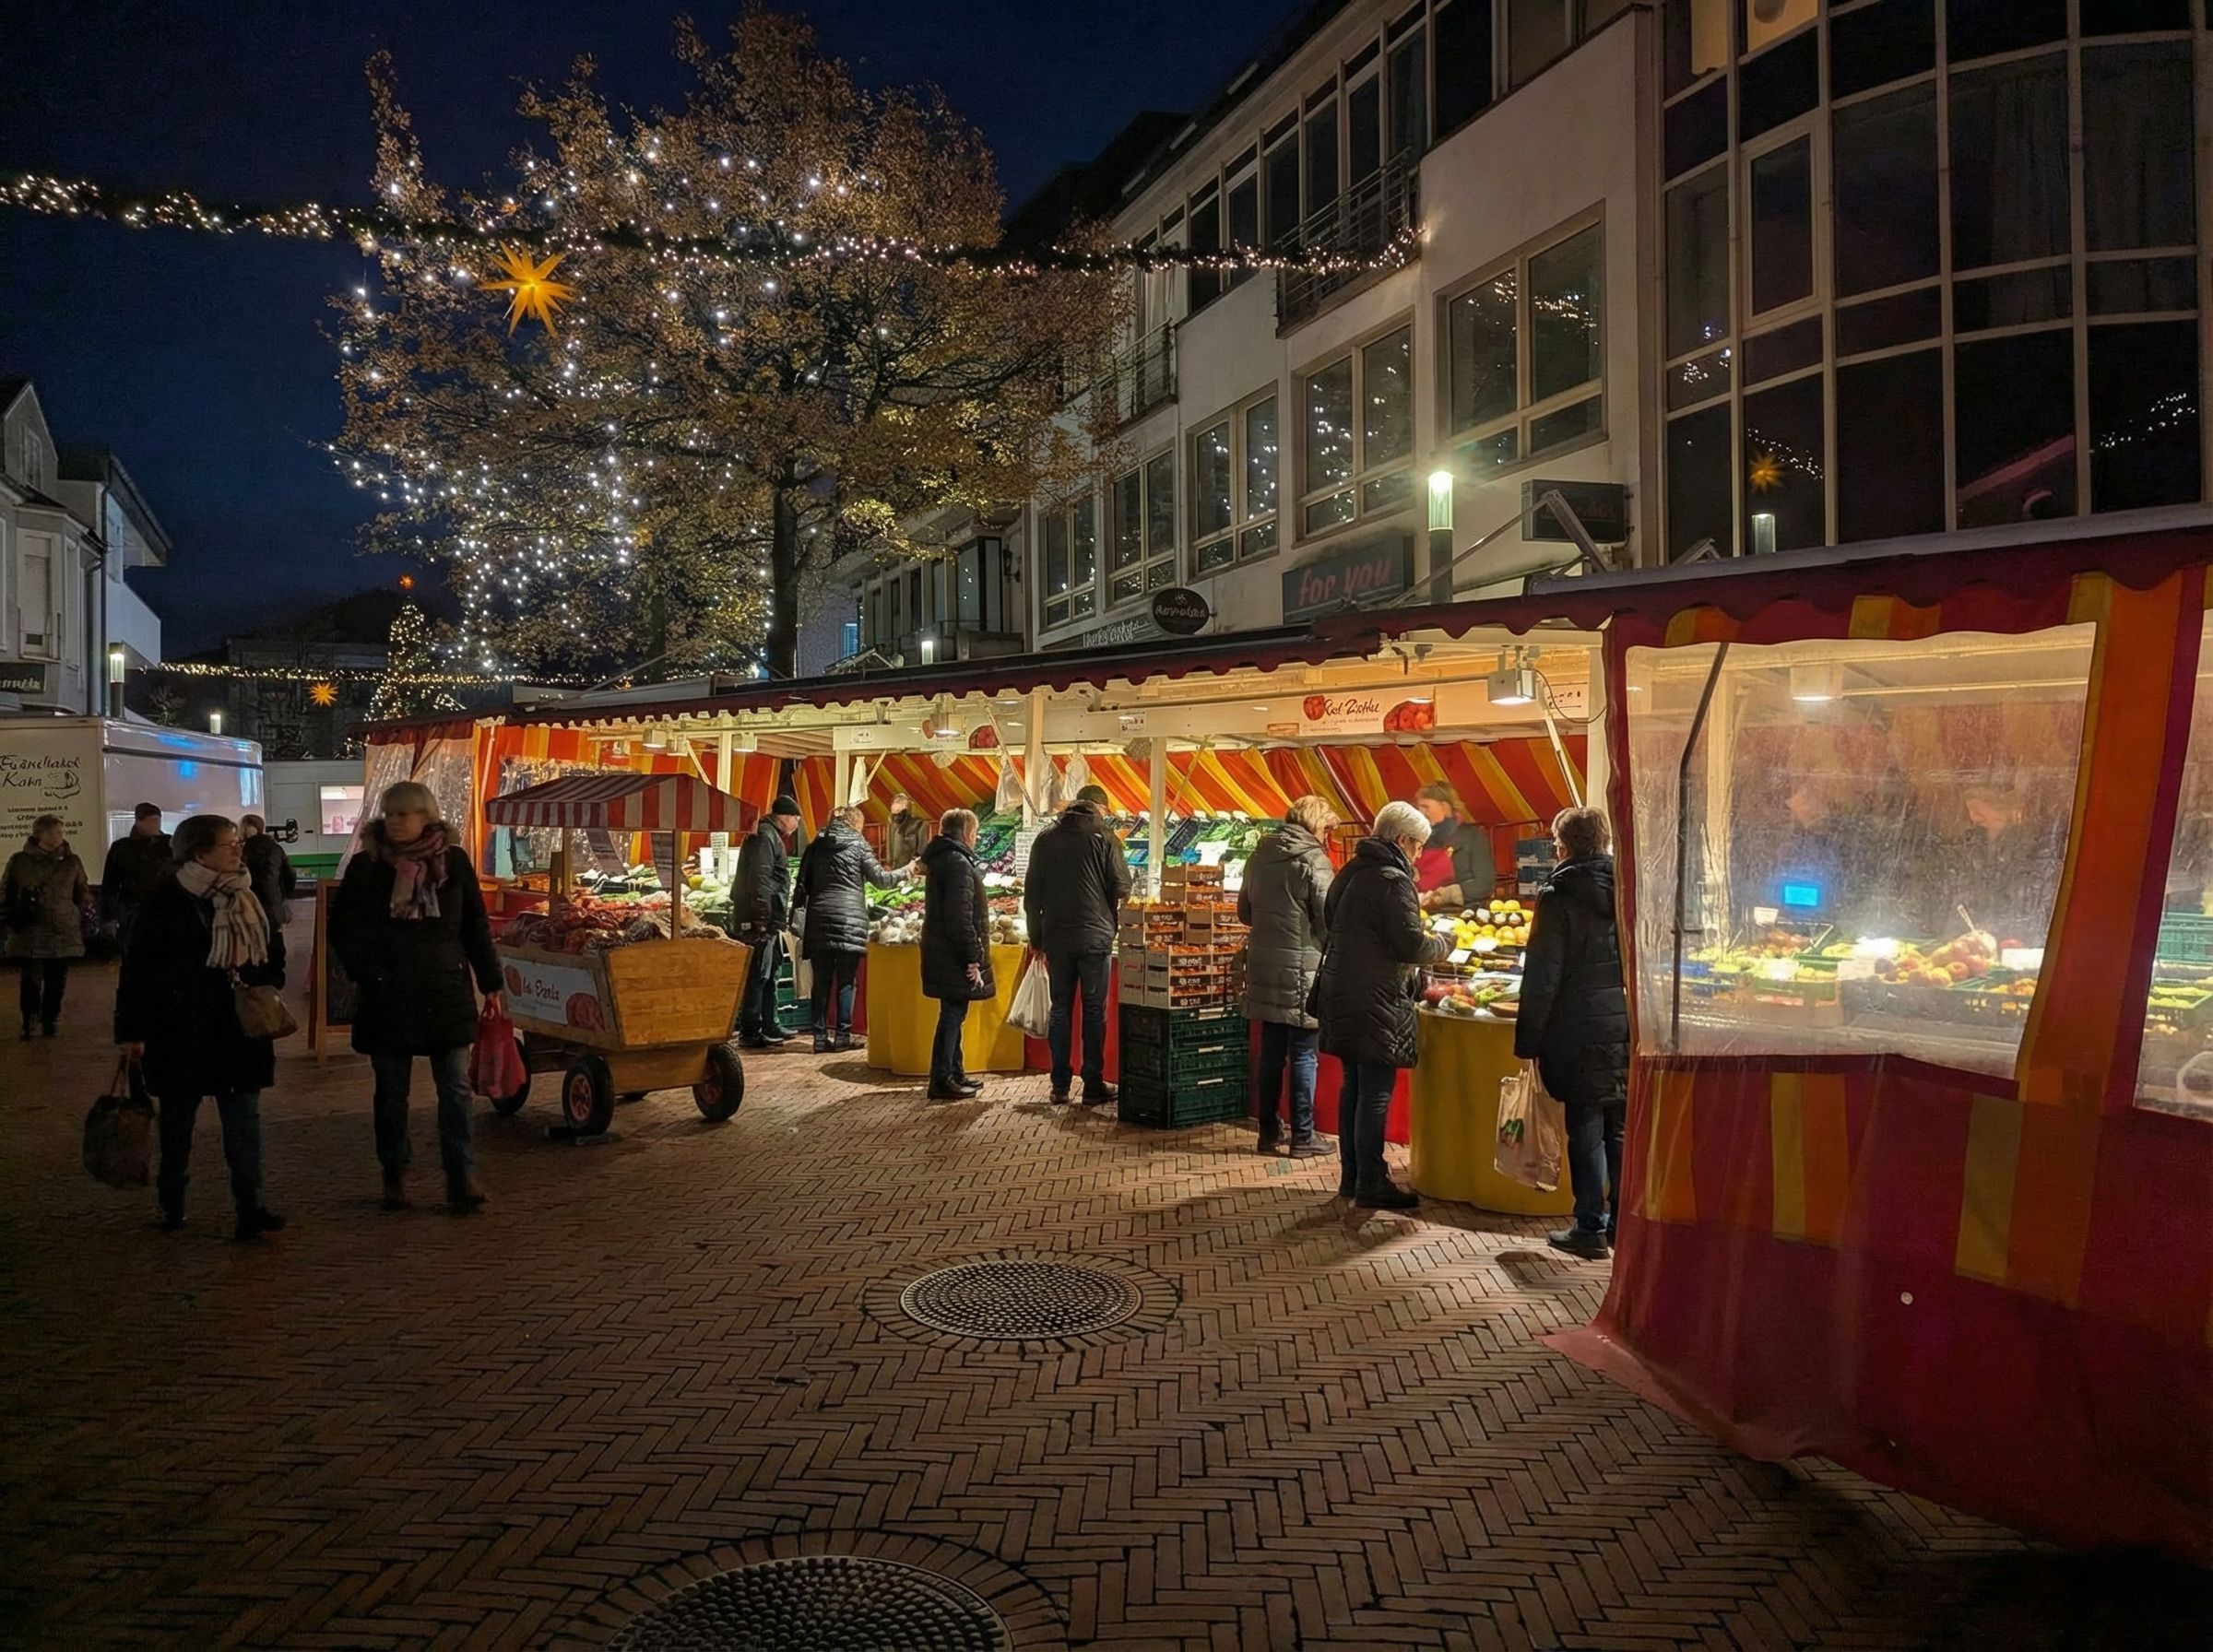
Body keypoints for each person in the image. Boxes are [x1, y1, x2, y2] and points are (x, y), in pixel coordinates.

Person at [332, 781, 503, 1216]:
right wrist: (368, 973)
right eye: (391, 813)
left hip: (444, 990)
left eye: (405, 813)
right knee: (391, 1094)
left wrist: (491, 982)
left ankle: (460, 1176)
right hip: (388, 995)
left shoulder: (454, 863)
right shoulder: (367, 867)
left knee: (456, 1091)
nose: (396, 820)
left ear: (427, 817)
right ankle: (394, 1173)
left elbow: (475, 926)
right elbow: (343, 931)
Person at [115, 814, 286, 1240]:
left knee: (244, 1125)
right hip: (180, 1031)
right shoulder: (164, 902)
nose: (237, 850)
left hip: (236, 1029)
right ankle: (172, 1203)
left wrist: (261, 979)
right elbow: (137, 972)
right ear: (199, 853)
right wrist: (132, 1032)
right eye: (228, 844)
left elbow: (273, 950)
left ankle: (252, 1208)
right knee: (177, 1127)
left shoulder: (247, 893)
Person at [1313, 800, 1450, 1209]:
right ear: (1404, 840)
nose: (1420, 855)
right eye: (1419, 846)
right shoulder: (1392, 879)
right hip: (1376, 999)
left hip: (1344, 992)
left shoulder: (1351, 872)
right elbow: (1411, 943)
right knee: (1374, 1091)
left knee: (1354, 1086)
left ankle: (1352, 1177)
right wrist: (1445, 944)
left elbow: (1332, 925)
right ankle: (1371, 1180)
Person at [1514, 807, 1629, 1260]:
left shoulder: (1557, 895)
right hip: (1622, 1024)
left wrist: (1528, 1042)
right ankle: (1622, 1223)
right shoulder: (1627, 889)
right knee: (1618, 1129)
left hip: (1578, 1029)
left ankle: (1588, 1226)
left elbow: (1543, 976)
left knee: (1584, 1128)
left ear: (1562, 845)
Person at [1237, 794, 1337, 1158]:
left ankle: (1267, 1132)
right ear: (1315, 823)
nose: (1328, 836)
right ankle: (1303, 1136)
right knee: (1305, 1055)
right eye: (1327, 827)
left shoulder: (1259, 855)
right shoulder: (1315, 861)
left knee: (1270, 1054)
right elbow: (1330, 919)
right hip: (1303, 971)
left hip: (1263, 967)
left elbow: (1244, 911)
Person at [1022, 782, 1130, 1105]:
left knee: (1061, 1009)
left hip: (1057, 937)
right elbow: (1122, 885)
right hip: (1096, 938)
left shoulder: (1045, 838)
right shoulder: (1105, 838)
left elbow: (1031, 895)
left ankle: (1059, 1084)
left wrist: (1037, 938)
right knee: (1094, 1011)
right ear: (1098, 808)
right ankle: (1093, 1082)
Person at [793, 804, 908, 1053]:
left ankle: (820, 1037)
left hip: (819, 919)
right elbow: (881, 880)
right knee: (846, 981)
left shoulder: (815, 846)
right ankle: (843, 1036)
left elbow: (801, 885)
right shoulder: (859, 845)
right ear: (856, 824)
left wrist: (795, 916)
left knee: (821, 981)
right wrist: (906, 871)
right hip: (849, 921)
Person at [919, 808, 991, 1101]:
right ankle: (942, 1078)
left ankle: (954, 1071)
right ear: (967, 833)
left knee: (954, 1012)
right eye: (974, 833)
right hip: (952, 952)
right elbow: (960, 917)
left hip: (942, 949)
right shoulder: (958, 864)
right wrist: (973, 955)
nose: (975, 838)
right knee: (952, 1014)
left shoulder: (942, 859)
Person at [6, 815, 89, 1038]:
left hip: (62, 929)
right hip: (30, 929)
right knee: (30, 979)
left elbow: (82, 891)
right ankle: (29, 1018)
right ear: (39, 834)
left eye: (60, 832)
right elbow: (8, 892)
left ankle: (50, 1018)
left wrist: (76, 913)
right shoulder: (20, 861)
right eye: (53, 832)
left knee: (57, 979)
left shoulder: (71, 861)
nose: (58, 837)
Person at [732, 795, 802, 1047]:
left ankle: (770, 1023)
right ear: (785, 817)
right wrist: (762, 919)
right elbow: (759, 881)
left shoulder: (769, 836)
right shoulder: (765, 836)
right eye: (796, 819)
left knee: (770, 972)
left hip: (770, 919)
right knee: (758, 975)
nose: (797, 825)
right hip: (758, 920)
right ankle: (751, 1031)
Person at [1412, 783, 1497, 913]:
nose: (1421, 812)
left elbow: (1485, 884)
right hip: (1418, 911)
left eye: (1426, 807)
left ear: (1445, 807)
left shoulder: (1472, 836)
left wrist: (1446, 895)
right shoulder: (1417, 838)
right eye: (1419, 807)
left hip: (1457, 913)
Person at [101, 802, 172, 942]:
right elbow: (110, 884)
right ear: (139, 822)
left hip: (165, 910)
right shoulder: (121, 848)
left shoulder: (169, 845)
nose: (155, 825)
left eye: (157, 820)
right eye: (150, 821)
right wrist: (110, 917)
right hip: (132, 911)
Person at [239, 813, 299, 929]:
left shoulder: (239, 850)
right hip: (273, 906)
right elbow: (289, 876)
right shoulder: (275, 848)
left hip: (247, 908)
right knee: (275, 943)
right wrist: (280, 895)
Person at [885, 791, 931, 868]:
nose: (896, 817)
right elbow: (890, 846)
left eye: (899, 813)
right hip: (897, 868)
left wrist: (915, 864)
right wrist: (889, 862)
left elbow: (922, 850)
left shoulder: (919, 824)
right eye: (894, 814)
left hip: (914, 868)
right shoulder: (891, 825)